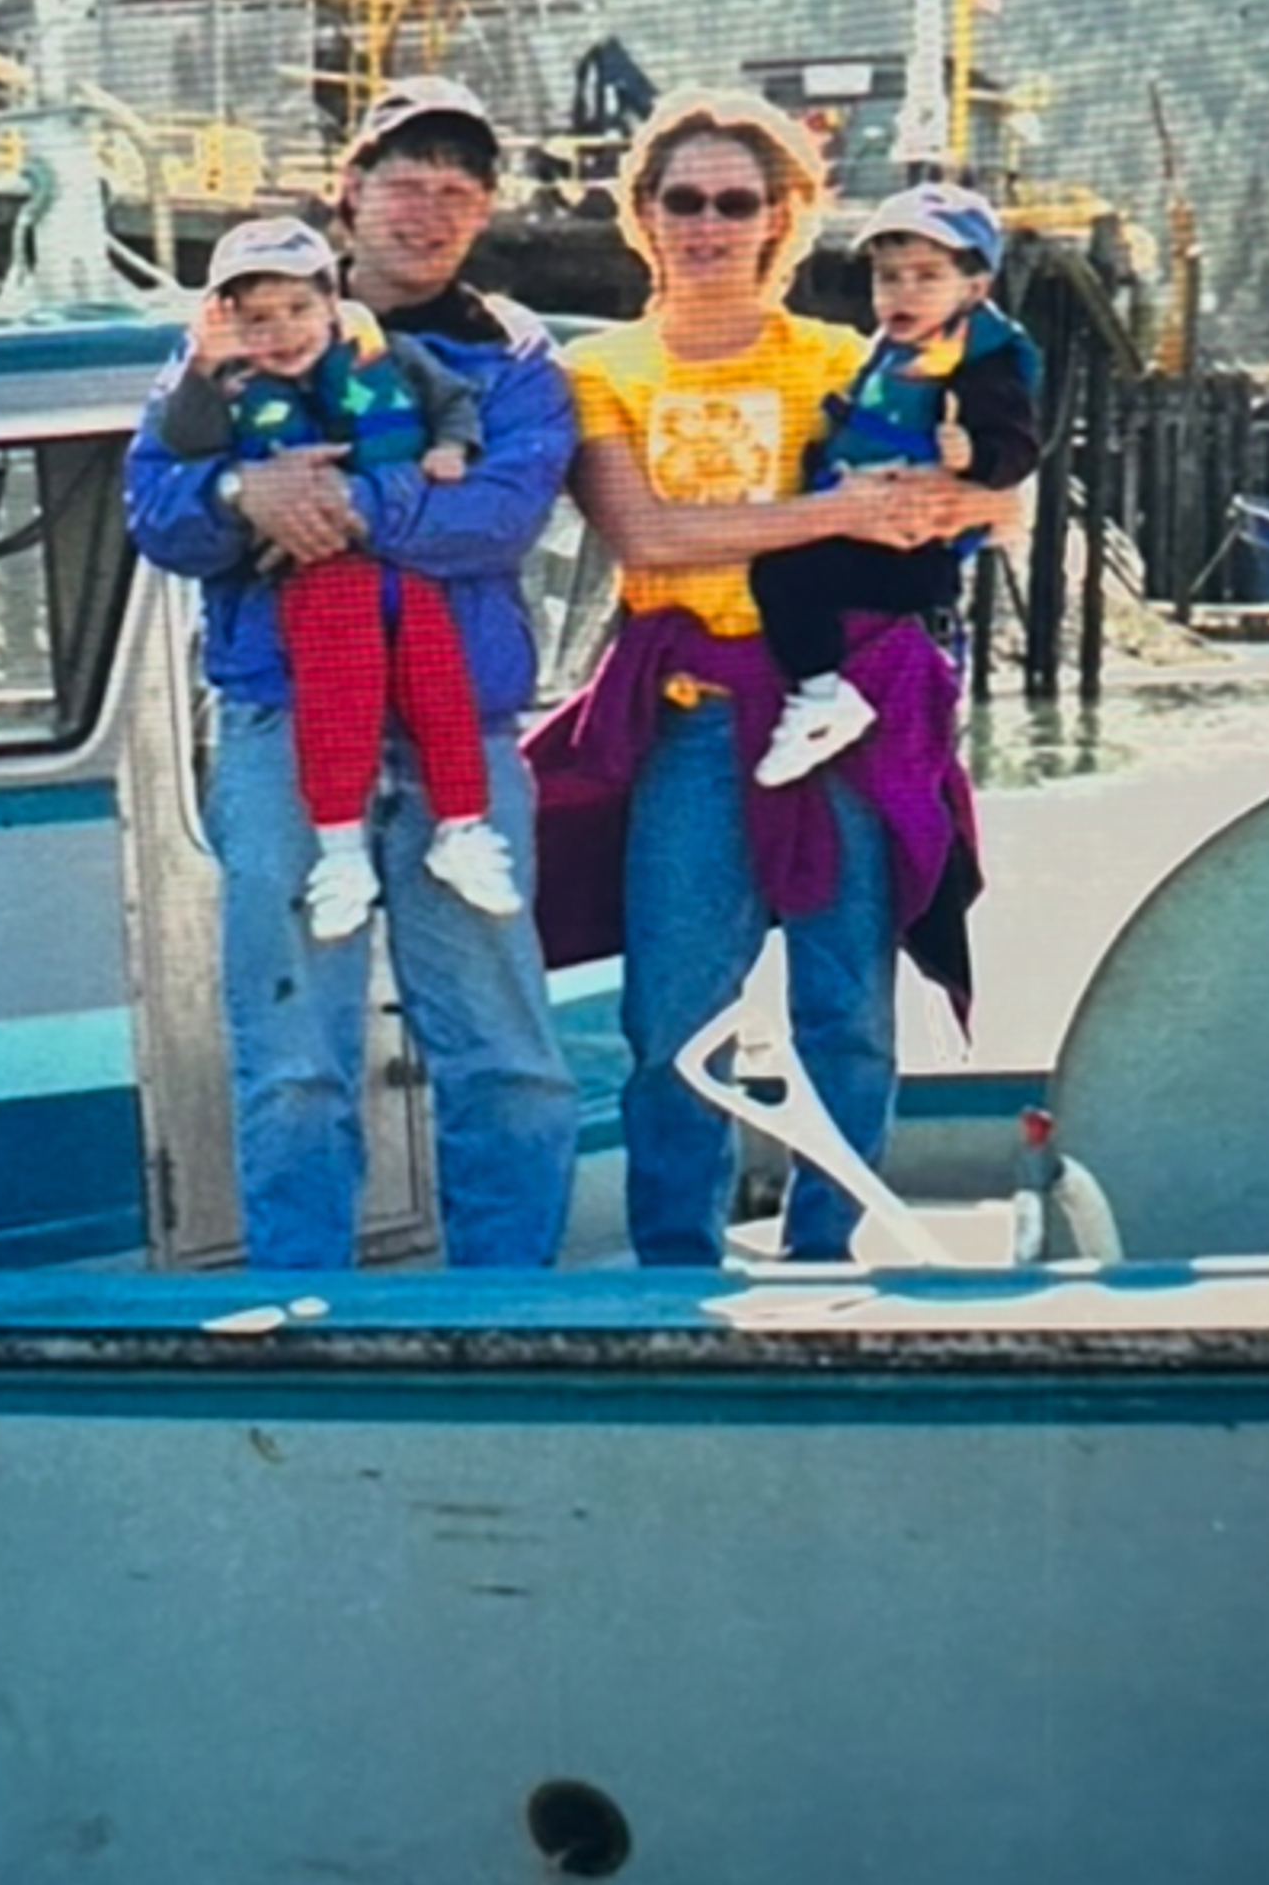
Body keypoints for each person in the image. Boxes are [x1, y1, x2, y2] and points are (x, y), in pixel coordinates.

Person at [537, 92, 1008, 1268]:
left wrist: (953, 486)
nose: (706, 223)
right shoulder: (598, 369)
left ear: (783, 218)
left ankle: (827, 1250)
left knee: (845, 1010)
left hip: (842, 709)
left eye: (734, 201)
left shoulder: (849, 360)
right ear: (641, 216)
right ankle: (675, 1268)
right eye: (680, 200)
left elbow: (985, 506)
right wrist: (835, 513)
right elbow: (644, 536)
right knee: (670, 1022)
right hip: (690, 721)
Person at [122, 78, 579, 1272]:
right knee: (294, 1062)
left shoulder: (517, 357)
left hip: (459, 736)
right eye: (405, 183)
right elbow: (158, 512)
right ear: (350, 193)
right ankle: (306, 1312)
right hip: (282, 721)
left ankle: (509, 1314)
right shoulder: (230, 336)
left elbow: (500, 510)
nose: (429, 212)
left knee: (510, 1057)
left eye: (458, 191)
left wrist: (325, 502)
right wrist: (233, 490)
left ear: (483, 211)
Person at [147, 214, 518, 938]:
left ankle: (463, 829)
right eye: (257, 319)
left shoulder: (390, 353)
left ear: (331, 301)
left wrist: (450, 448)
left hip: (405, 574)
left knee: (441, 691)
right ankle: (340, 850)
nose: (282, 332)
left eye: (297, 309)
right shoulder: (222, 384)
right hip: (315, 577)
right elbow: (183, 443)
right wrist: (204, 371)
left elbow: (453, 403)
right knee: (335, 706)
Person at [748, 183, 1047, 786]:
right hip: (871, 534)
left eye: (926, 276)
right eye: (889, 278)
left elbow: (1018, 448)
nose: (903, 292)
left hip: (913, 558)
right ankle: (822, 691)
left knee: (780, 574)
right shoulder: (888, 353)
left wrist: (977, 457)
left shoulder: (980, 368)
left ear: (975, 287)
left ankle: (821, 697)